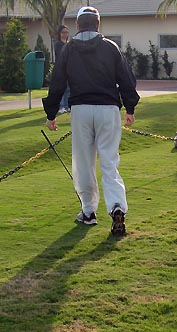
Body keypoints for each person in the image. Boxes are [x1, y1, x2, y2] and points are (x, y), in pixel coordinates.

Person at [42, 6, 139, 237]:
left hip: (81, 110)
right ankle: (116, 207)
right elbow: (126, 79)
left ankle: (88, 211)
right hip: (108, 109)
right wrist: (130, 108)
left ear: (78, 25)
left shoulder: (68, 49)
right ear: (98, 24)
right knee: (109, 162)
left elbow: (57, 82)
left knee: (83, 163)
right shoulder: (110, 47)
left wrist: (51, 113)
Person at [54, 24, 70, 114]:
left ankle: (67, 106)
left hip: (68, 70)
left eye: (67, 32)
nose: (65, 34)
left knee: (68, 89)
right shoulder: (58, 44)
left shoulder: (68, 44)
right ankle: (61, 106)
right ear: (59, 33)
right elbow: (60, 57)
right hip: (61, 69)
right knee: (62, 89)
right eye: (63, 32)